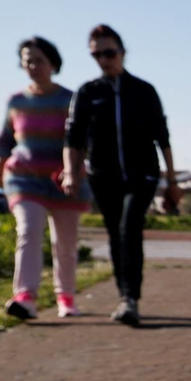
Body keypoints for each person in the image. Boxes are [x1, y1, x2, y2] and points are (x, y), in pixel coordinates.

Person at [62, 24, 181, 327]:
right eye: (97, 54)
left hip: (143, 175)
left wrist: (172, 181)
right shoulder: (88, 93)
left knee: (130, 228)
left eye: (109, 52)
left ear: (122, 52)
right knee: (116, 235)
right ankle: (123, 296)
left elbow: (162, 138)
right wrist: (70, 173)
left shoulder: (144, 91)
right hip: (104, 176)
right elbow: (73, 139)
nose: (104, 59)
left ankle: (131, 297)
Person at [0, 36, 89, 320]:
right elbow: (4, 141)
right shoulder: (16, 101)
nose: (33, 66)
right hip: (24, 178)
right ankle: (25, 296)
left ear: (53, 64)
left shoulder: (70, 99)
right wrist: (0, 172)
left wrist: (73, 169)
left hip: (64, 181)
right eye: (27, 61)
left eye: (39, 60)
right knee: (28, 231)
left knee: (65, 243)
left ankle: (66, 297)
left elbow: (82, 140)